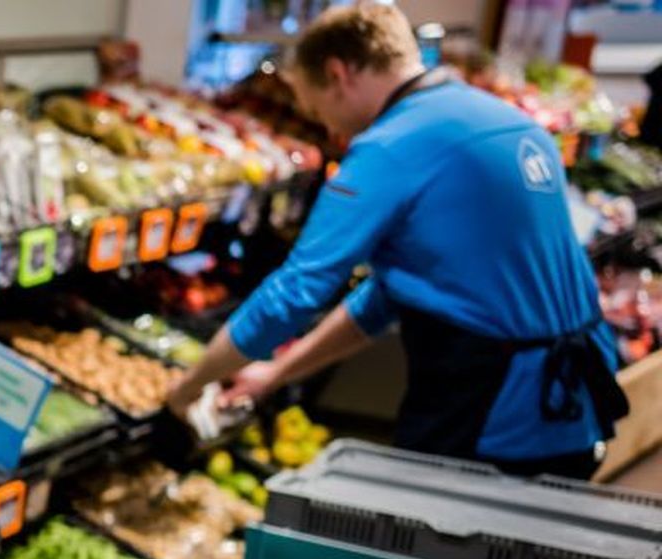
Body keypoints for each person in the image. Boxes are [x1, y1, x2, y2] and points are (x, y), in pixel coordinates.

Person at [166, 2, 628, 478]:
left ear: (338, 73)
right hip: (573, 399)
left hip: (495, 407)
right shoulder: (501, 118)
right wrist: (274, 375)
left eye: (314, 106)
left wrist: (186, 388)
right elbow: (388, 296)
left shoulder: (392, 145)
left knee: (441, 544)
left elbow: (294, 293)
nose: (327, 128)